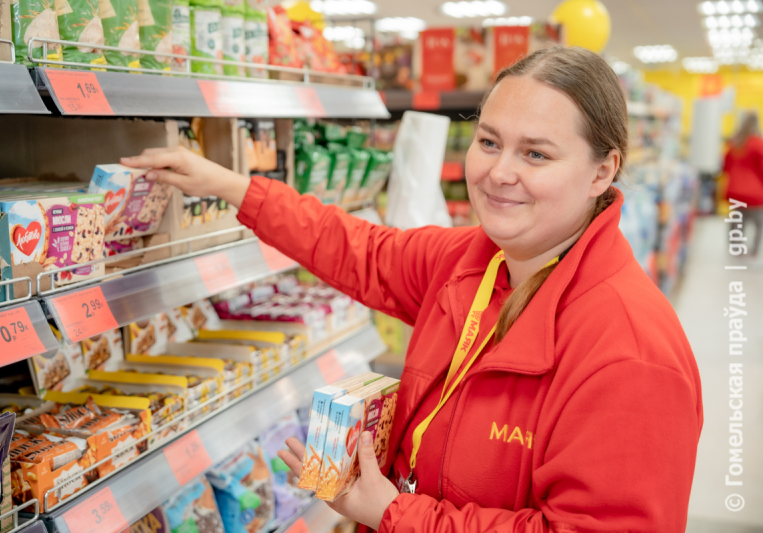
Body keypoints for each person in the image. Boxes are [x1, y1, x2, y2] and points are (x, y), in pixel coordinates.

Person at [122, 46, 702, 533]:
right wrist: (229, 185)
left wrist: (396, 513)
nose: (499, 173)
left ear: (603, 171)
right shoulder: (473, 261)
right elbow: (354, 247)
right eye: (490, 142)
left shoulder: (630, 353)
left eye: (536, 154)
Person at [723, 111, 763, 260]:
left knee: (737, 221)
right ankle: (754, 251)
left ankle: (736, 249)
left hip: (735, 191)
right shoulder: (759, 143)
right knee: (759, 224)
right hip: (755, 192)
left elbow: (725, 167)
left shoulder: (735, 143)